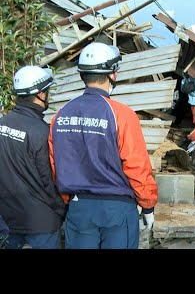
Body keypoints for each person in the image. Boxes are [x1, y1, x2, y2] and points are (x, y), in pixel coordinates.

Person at [48, 42, 158, 249]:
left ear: (82, 75)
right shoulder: (122, 114)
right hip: (117, 209)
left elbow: (57, 165)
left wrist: (66, 200)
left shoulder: (60, 115)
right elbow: (136, 165)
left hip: (79, 208)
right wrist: (148, 205)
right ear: (113, 74)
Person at [0, 66, 66, 249]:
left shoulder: (1, 124)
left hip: (8, 219)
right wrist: (61, 209)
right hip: (41, 222)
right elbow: (49, 180)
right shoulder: (41, 131)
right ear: (40, 94)